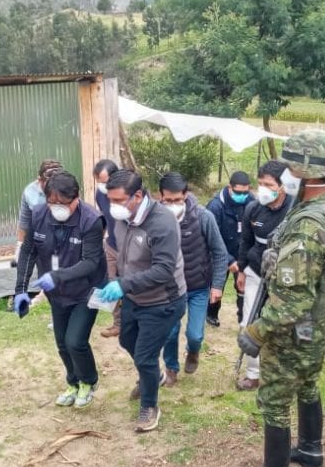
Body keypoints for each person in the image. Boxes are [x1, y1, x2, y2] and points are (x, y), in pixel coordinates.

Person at [233, 128, 325, 467]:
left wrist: (257, 332)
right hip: (323, 318)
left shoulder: (309, 224)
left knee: (275, 397)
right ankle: (311, 451)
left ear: (304, 171)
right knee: (307, 382)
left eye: (290, 166)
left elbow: (291, 303)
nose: (285, 174)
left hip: (300, 325)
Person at [97, 169, 186, 433]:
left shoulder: (162, 222)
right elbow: (123, 255)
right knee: (126, 340)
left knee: (145, 356)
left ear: (137, 195)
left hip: (163, 300)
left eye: (117, 200)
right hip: (135, 296)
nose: (113, 207)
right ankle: (154, 376)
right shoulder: (122, 219)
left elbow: (163, 270)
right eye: (109, 200)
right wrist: (116, 281)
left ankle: (150, 406)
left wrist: (123, 284)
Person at [14, 171, 106, 408]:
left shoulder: (91, 220)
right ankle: (73, 382)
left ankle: (89, 381)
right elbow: (28, 252)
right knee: (62, 342)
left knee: (75, 341)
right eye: (52, 202)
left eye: (63, 203)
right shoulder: (39, 214)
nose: (57, 208)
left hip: (86, 290)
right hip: (58, 294)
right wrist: (21, 289)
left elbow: (90, 262)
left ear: (76, 198)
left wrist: (57, 276)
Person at [154, 172, 229, 388]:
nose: (173, 204)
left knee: (195, 334)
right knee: (170, 332)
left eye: (178, 200)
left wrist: (216, 285)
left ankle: (193, 351)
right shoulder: (156, 219)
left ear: (185, 195)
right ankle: (171, 368)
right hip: (169, 289)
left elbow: (219, 252)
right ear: (161, 197)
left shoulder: (204, 217)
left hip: (198, 287)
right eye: (168, 200)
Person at [234, 160, 291, 390]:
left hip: (283, 277)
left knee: (282, 326)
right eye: (260, 184)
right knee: (249, 322)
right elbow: (245, 241)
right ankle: (253, 374)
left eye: (268, 184)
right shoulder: (252, 209)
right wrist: (241, 270)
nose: (263, 189)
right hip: (255, 272)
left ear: (282, 186)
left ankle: (281, 373)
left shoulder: (295, 210)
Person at [205, 170, 253, 327]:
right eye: (238, 192)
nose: (242, 195)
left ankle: (243, 318)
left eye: (245, 192)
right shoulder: (215, 206)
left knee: (243, 285)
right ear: (229, 188)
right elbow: (211, 238)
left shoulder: (251, 202)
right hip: (221, 251)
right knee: (217, 283)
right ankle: (211, 313)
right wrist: (228, 260)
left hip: (243, 252)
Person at [92, 158, 122, 338]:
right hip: (111, 245)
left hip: (131, 249)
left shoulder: (131, 192)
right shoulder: (100, 194)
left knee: (131, 283)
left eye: (104, 182)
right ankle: (118, 323)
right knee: (111, 283)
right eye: (99, 182)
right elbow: (103, 216)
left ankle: (137, 322)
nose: (102, 186)